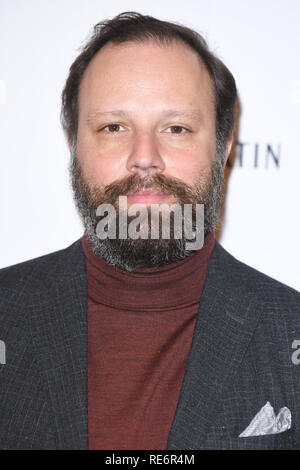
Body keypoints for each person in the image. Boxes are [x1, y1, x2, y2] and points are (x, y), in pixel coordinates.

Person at [0, 11, 299, 450]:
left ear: (224, 145)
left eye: (176, 128)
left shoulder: (288, 331)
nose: (144, 157)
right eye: (113, 127)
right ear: (73, 144)